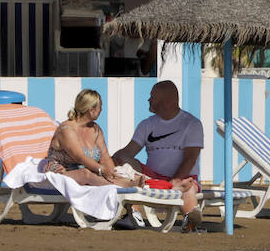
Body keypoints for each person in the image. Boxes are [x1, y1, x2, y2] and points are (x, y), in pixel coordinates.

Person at [112, 80, 205, 229]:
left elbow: (191, 158)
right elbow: (129, 151)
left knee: (188, 188)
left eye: (152, 97)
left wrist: (175, 181)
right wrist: (106, 163)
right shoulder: (147, 124)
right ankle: (133, 214)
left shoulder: (191, 123)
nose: (148, 100)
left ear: (167, 101)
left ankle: (191, 218)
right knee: (123, 162)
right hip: (153, 177)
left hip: (183, 178)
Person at [44, 89, 143, 188]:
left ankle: (120, 183)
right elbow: (79, 157)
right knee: (85, 174)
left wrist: (113, 173)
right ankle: (125, 185)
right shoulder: (67, 129)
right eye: (100, 107)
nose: (101, 110)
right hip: (62, 173)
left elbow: (105, 157)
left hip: (91, 171)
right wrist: (102, 170)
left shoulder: (95, 129)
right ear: (91, 110)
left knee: (125, 166)